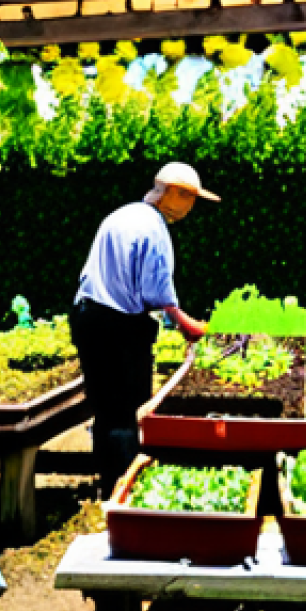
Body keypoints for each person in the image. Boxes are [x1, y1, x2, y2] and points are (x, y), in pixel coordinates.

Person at [70, 162, 218, 495]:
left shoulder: (122, 215)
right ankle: (125, 490)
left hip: (87, 317)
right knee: (127, 413)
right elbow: (158, 295)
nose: (190, 209)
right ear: (173, 194)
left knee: (105, 410)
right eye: (190, 199)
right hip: (119, 326)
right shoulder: (155, 229)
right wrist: (189, 326)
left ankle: (108, 486)